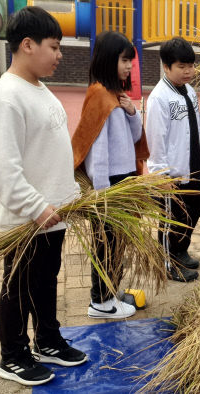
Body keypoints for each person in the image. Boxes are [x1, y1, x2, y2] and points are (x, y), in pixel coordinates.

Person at [0, 6, 87, 386]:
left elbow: (50, 153)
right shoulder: (6, 99)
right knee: (19, 286)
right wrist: (36, 207)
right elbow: (3, 170)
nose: (60, 55)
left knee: (45, 279)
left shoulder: (39, 89)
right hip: (28, 220)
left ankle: (47, 340)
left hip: (53, 215)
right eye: (54, 47)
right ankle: (12, 355)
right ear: (27, 45)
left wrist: (69, 195)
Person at [72, 31, 147, 319]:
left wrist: (131, 112)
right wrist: (101, 192)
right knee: (106, 241)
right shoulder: (100, 95)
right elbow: (96, 150)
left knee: (118, 241)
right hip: (110, 185)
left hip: (123, 180)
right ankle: (100, 302)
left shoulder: (116, 96)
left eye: (131, 61)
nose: (129, 66)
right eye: (124, 60)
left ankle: (110, 292)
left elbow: (136, 136)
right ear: (108, 59)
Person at [146, 37, 200, 282]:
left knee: (195, 208)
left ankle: (180, 251)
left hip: (193, 168)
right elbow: (156, 139)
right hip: (172, 174)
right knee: (172, 220)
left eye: (191, 65)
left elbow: (193, 124)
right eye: (182, 66)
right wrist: (161, 175)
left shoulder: (188, 91)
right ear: (166, 67)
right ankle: (168, 264)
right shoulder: (159, 98)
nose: (189, 71)